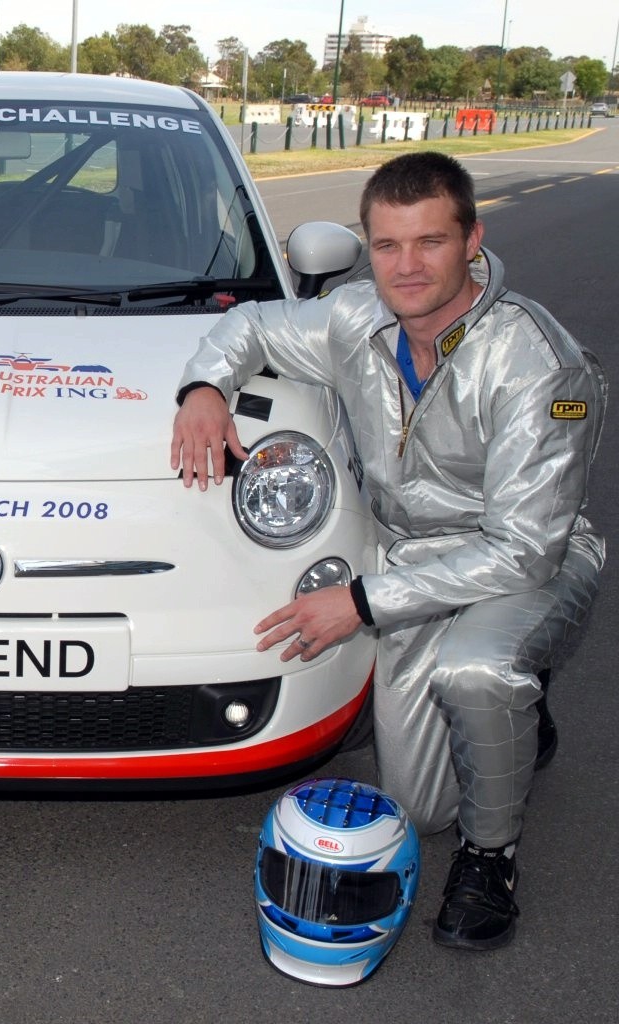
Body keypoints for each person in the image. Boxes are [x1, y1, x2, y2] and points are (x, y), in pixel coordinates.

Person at [169, 151, 605, 951]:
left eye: (430, 242)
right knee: (420, 806)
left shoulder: (541, 365)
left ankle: (491, 861)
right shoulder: (356, 317)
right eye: (387, 245)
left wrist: (360, 603)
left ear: (472, 240)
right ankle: (515, 715)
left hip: (528, 561)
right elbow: (248, 324)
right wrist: (203, 388)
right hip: (410, 556)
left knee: (476, 671)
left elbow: (523, 550)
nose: (407, 268)